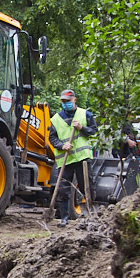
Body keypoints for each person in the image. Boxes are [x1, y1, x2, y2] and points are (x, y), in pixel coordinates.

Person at [48, 89, 98, 227]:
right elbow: (52, 138)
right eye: (63, 102)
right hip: (66, 160)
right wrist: (61, 145)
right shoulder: (56, 119)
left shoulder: (85, 114)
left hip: (82, 159)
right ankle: (64, 218)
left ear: (74, 100)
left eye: (68, 101)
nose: (65, 104)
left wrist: (82, 127)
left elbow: (94, 131)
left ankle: (90, 215)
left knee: (86, 187)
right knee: (63, 190)